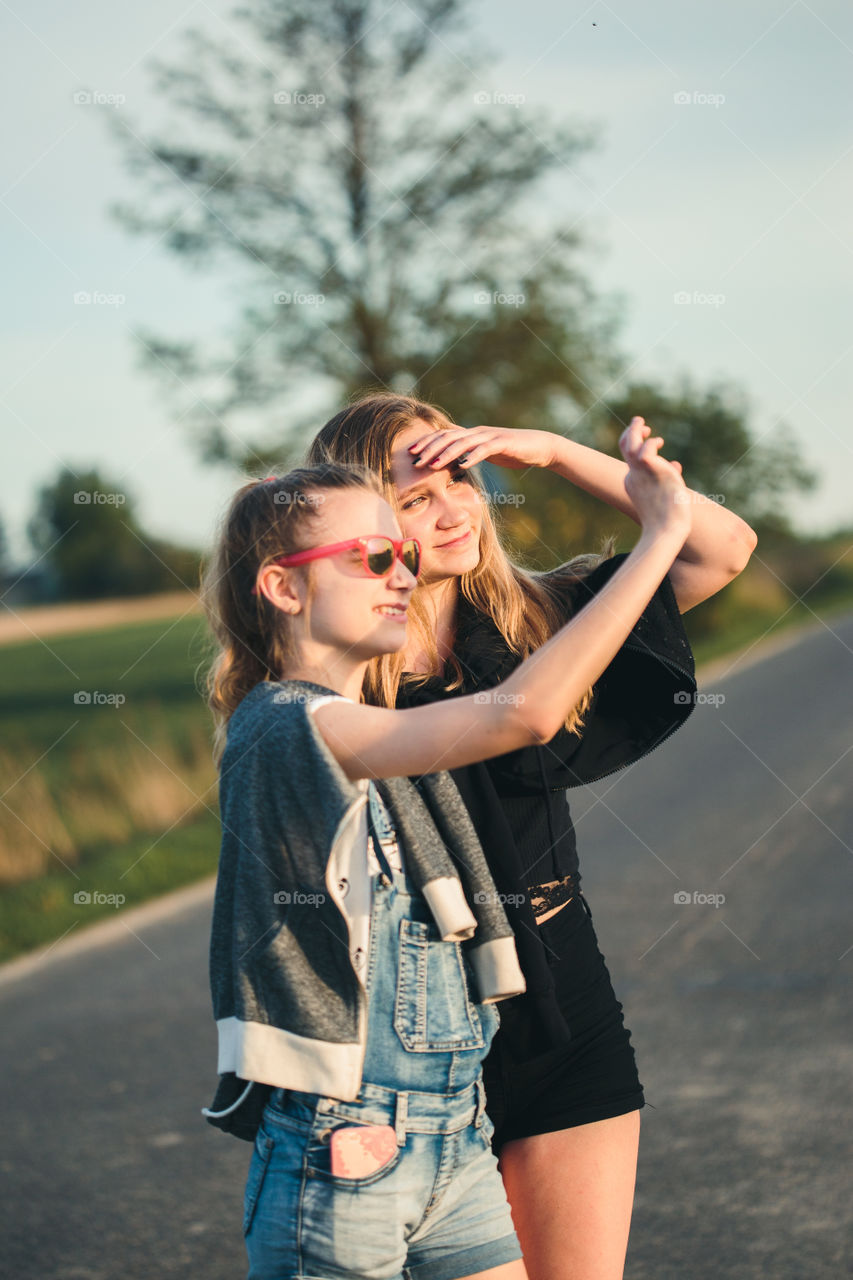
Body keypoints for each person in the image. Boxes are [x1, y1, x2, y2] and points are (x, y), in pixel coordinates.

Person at [199, 427, 695, 1280]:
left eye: (401, 555)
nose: (402, 574)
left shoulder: (379, 725)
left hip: (452, 1137)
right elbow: (522, 714)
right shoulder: (288, 726)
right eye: (371, 557)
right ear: (282, 586)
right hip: (347, 1146)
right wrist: (657, 536)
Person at [306, 396, 758, 1280]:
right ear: (361, 519)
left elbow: (723, 549)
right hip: (410, 1020)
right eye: (415, 498)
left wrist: (553, 452)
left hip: (561, 995)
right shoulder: (334, 670)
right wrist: (655, 527)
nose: (455, 510)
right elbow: (523, 717)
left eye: (462, 480)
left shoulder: (541, 618)